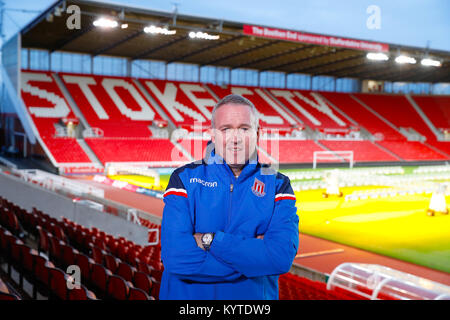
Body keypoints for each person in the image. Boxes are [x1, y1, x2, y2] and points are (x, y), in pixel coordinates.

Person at [160, 94, 299, 300]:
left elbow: (280, 258)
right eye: (226, 129)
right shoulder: (184, 179)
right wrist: (253, 261)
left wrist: (210, 240)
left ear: (257, 134)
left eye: (244, 129)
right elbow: (176, 257)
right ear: (213, 135)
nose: (236, 139)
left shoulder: (279, 185)